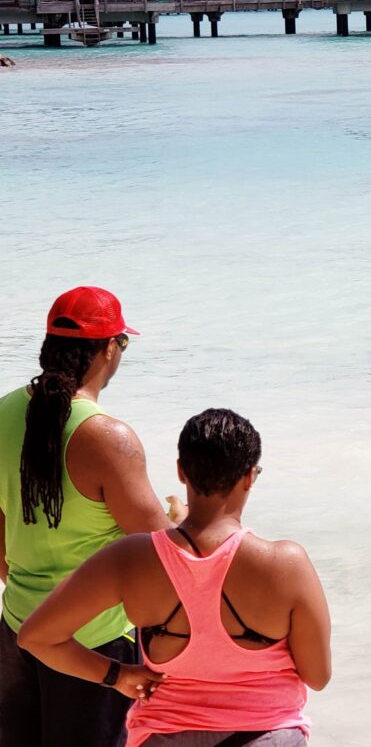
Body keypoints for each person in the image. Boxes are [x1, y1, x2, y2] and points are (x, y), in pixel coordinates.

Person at [19, 407, 332, 747]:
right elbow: (317, 677)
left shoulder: (132, 558)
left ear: (181, 472)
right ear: (249, 478)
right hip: (267, 735)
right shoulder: (285, 564)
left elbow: (37, 637)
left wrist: (117, 675)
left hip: (165, 736)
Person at [0, 285, 181, 746]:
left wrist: (26, 594)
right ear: (108, 348)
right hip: (94, 648)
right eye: (123, 342)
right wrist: (180, 515)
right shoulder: (106, 438)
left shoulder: (4, 412)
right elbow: (164, 553)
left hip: (16, 630)